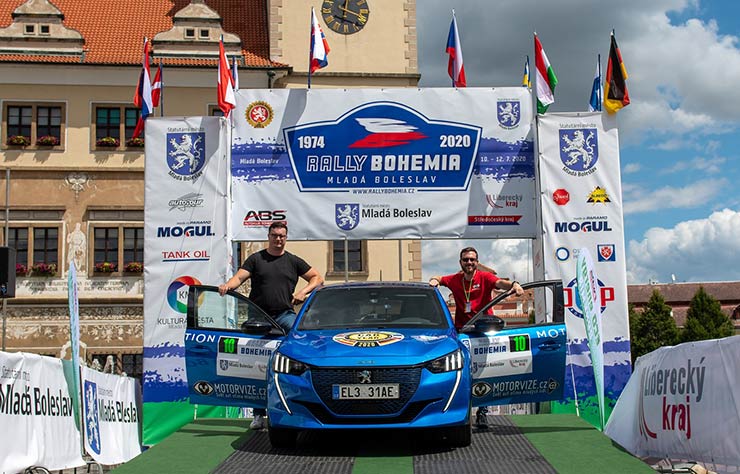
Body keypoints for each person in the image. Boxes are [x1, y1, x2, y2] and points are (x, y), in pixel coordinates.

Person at [218, 221, 323, 430]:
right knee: (256, 362)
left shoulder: (293, 261)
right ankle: (258, 415)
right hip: (259, 317)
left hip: (284, 315)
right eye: (274, 235)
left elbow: (317, 278)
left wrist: (303, 292)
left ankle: (301, 404)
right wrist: (227, 286)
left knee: (298, 343)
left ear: (286, 238)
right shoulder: (257, 259)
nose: (278, 239)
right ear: (269, 236)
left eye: (282, 236)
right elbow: (239, 277)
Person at [428, 246, 524, 427]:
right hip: (462, 331)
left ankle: (483, 412)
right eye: (466, 260)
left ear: (477, 262)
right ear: (460, 263)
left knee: (486, 371)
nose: (469, 263)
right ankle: (459, 411)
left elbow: (500, 283)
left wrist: (514, 284)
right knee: (461, 371)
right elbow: (439, 278)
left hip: (485, 330)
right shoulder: (455, 279)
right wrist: (434, 281)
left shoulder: (485, 277)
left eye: (472, 260)